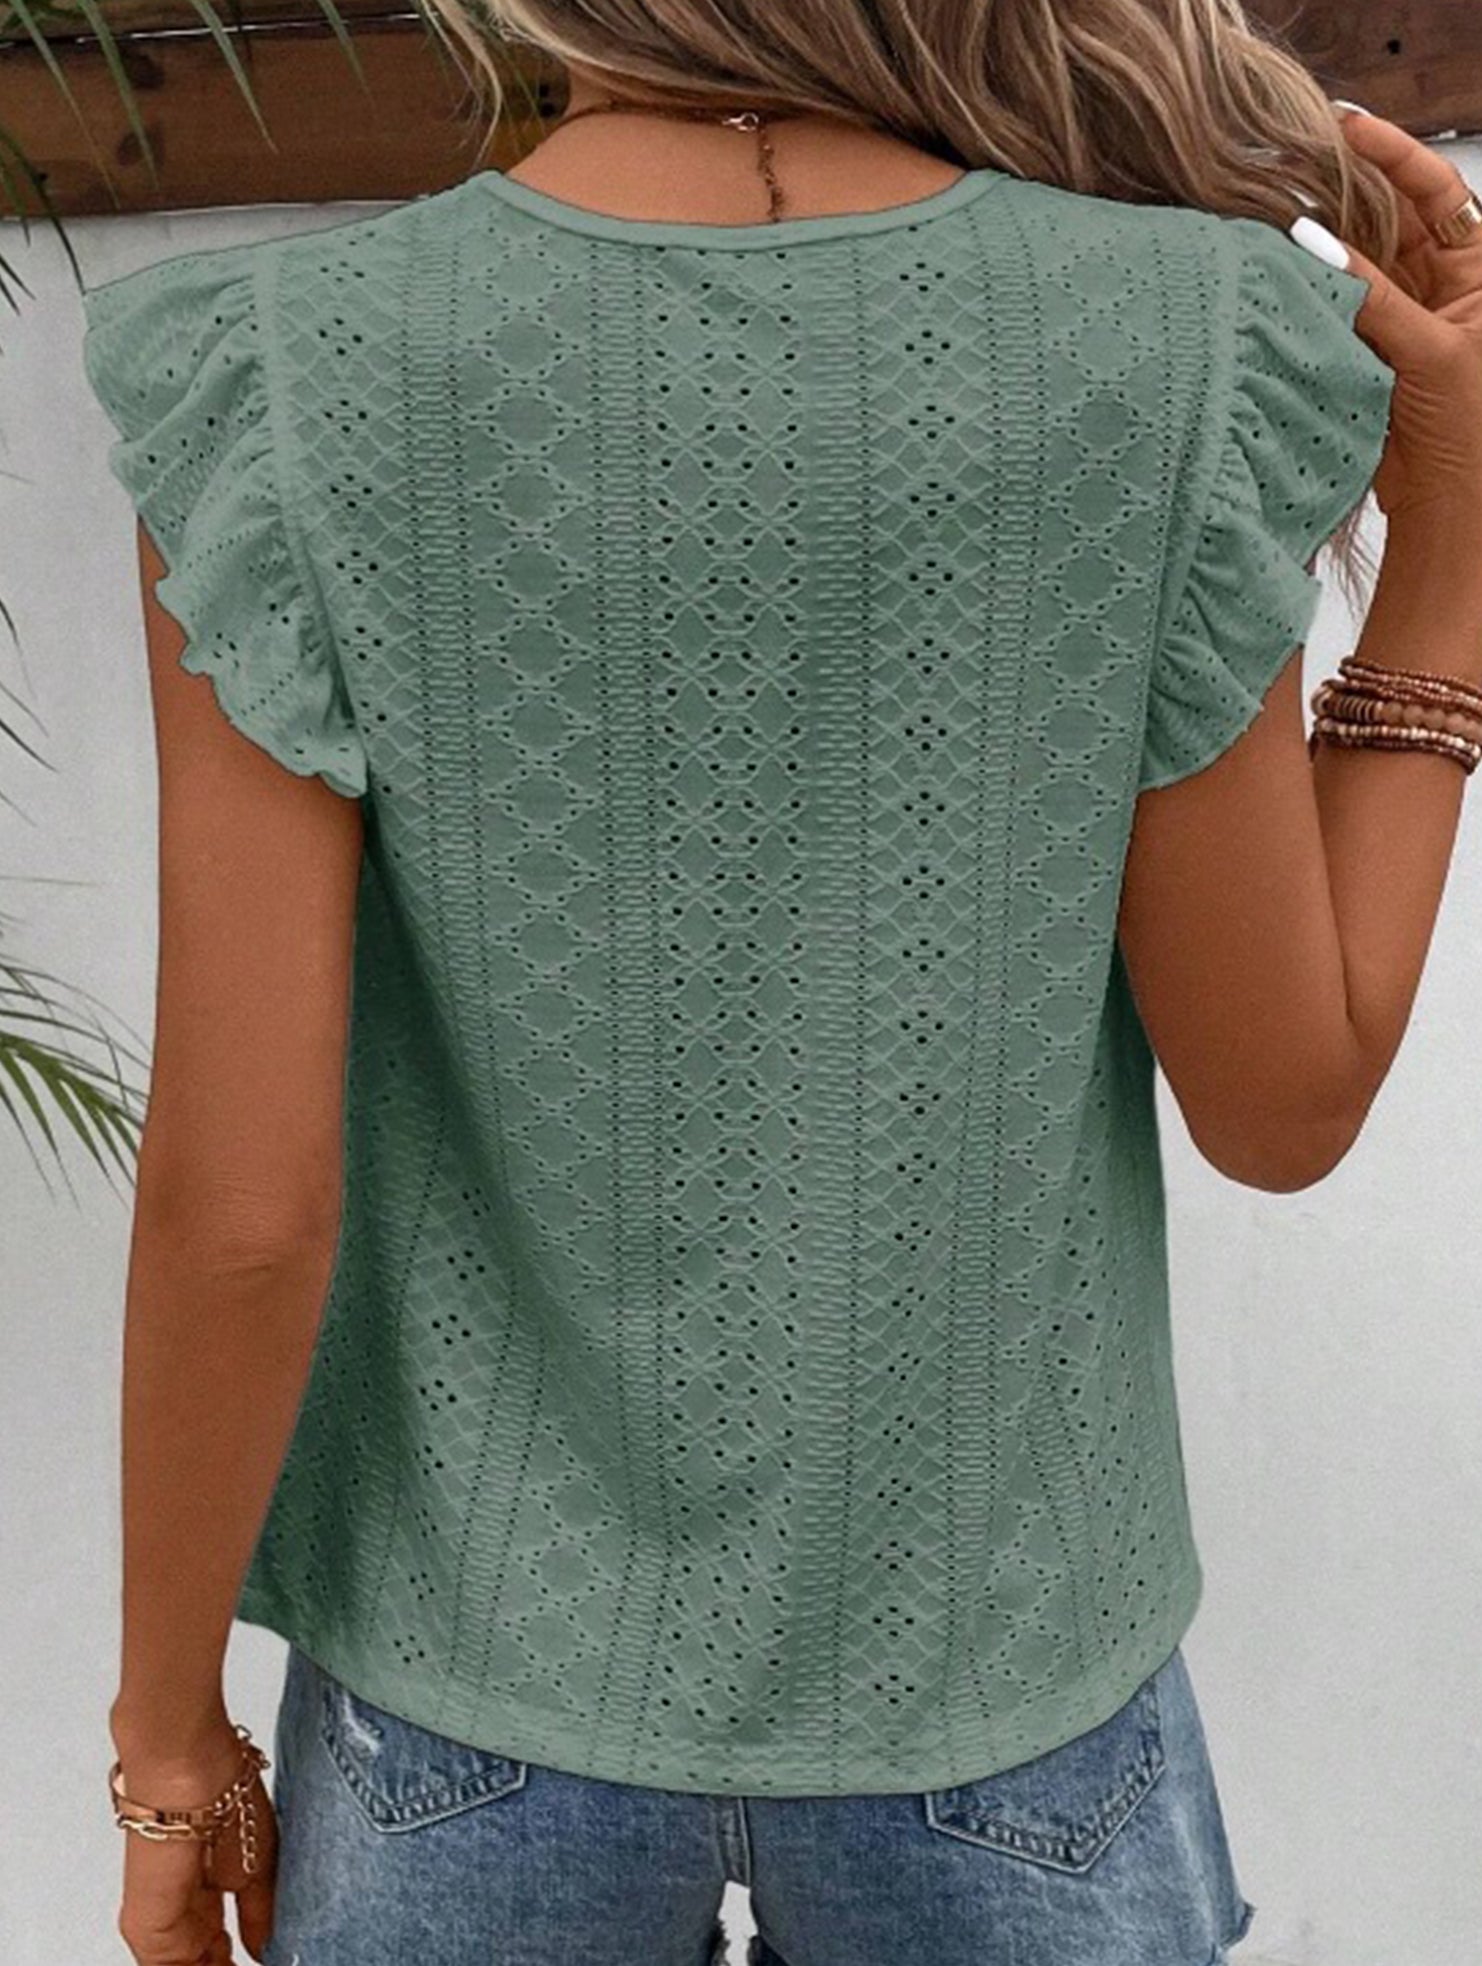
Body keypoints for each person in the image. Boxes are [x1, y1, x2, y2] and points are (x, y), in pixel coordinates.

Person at [77, 0, 1482, 1959]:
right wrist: (1454, 544)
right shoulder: (1169, 343)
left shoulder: (293, 378)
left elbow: (244, 1209)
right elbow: (1284, 1100)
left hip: (470, 1715)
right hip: (1009, 1696)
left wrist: (168, 1746)